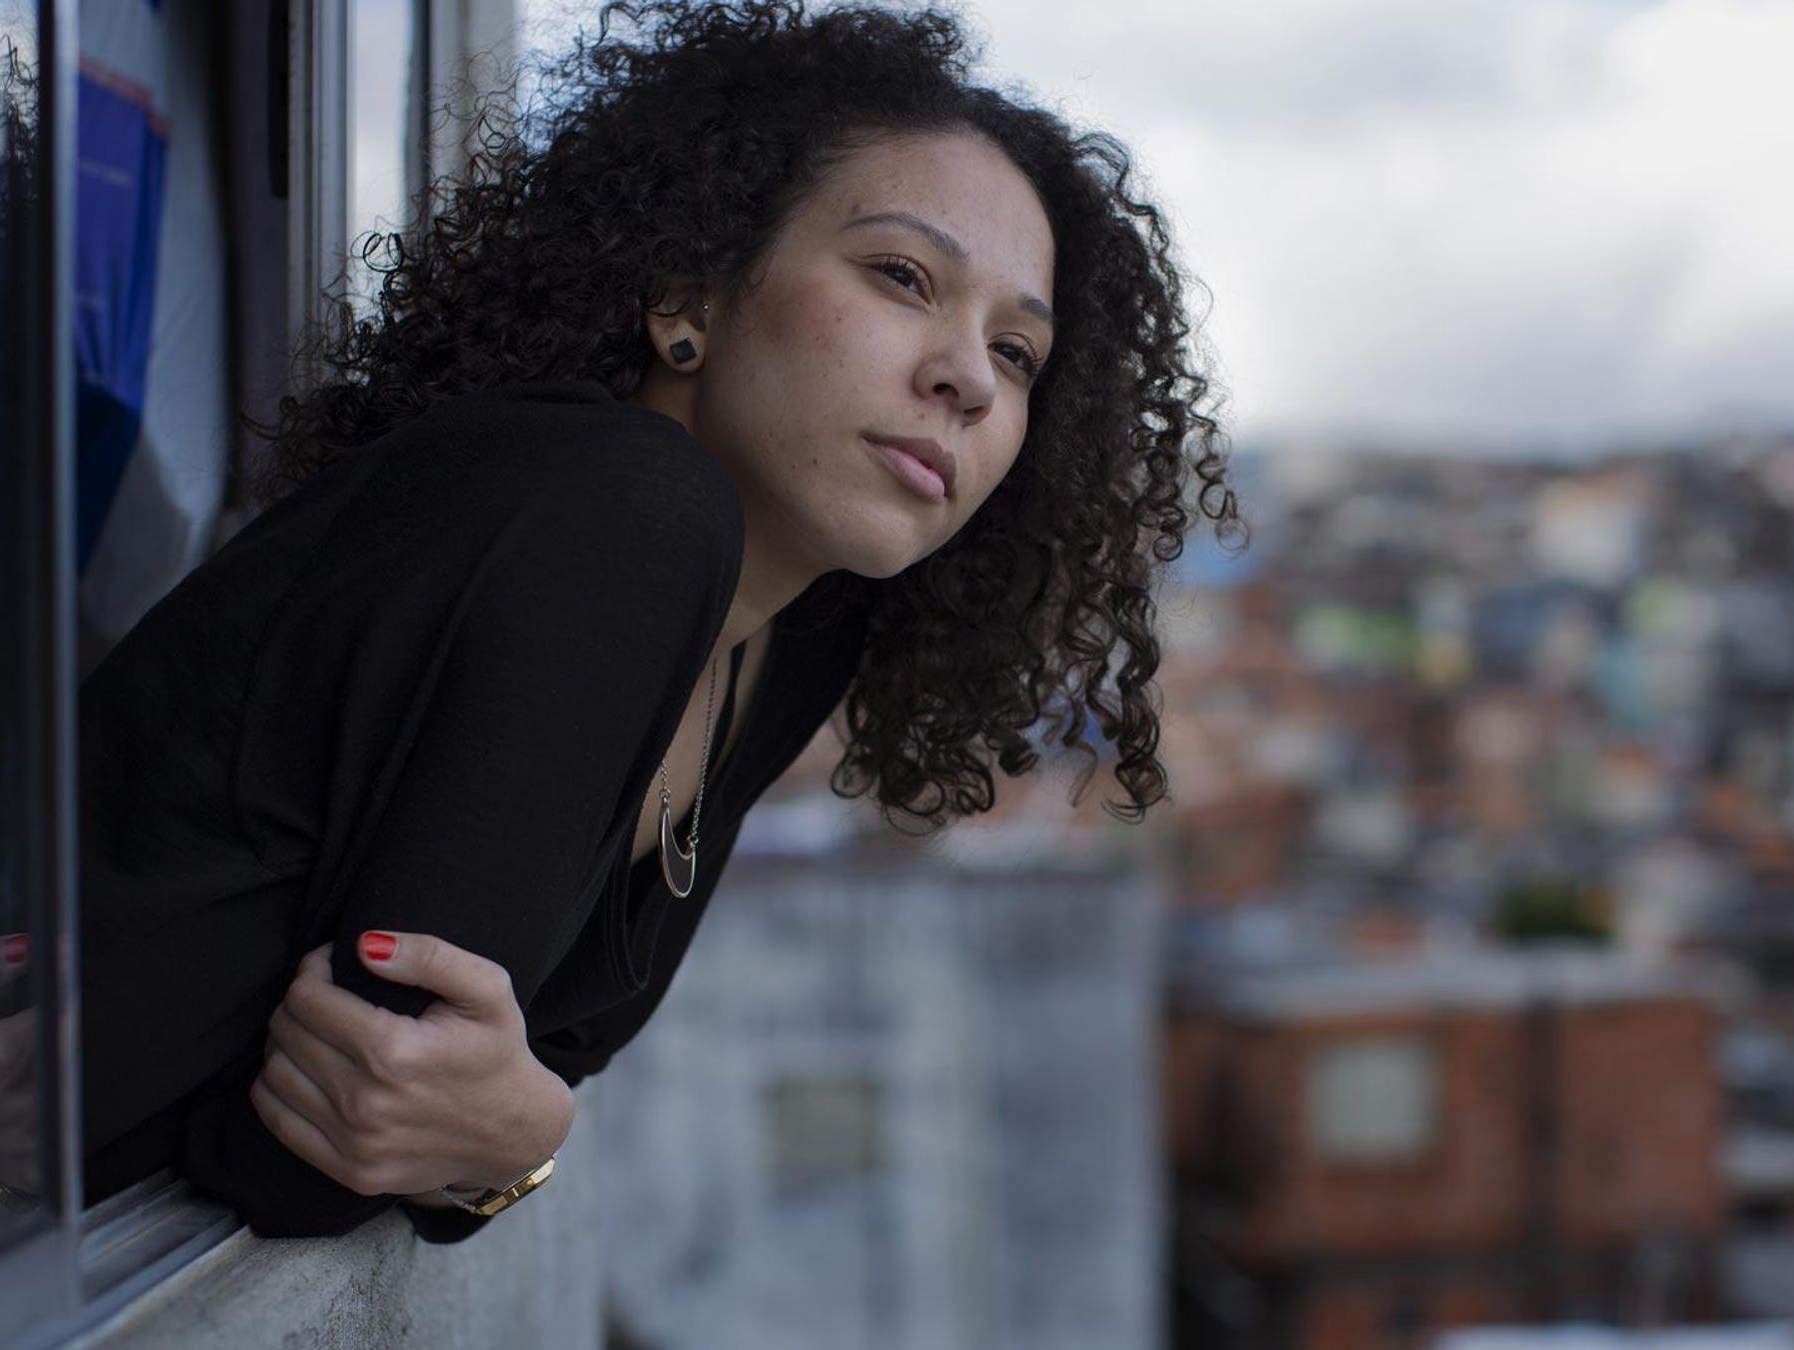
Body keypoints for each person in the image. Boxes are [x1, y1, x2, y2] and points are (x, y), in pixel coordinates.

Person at [74, 0, 1239, 1243]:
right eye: (903, 277)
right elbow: (332, 1150)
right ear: (690, 289)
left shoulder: (788, 635)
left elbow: (488, 1105)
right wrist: (512, 1142)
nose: (965, 375)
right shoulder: (619, 508)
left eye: (1017, 353)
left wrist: (508, 1146)